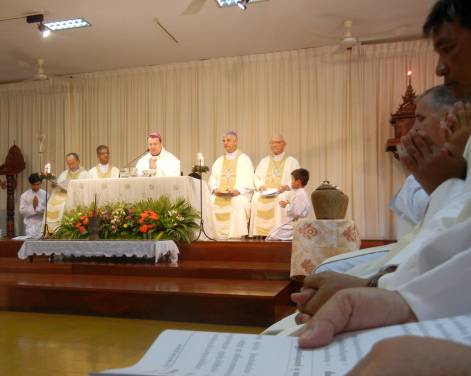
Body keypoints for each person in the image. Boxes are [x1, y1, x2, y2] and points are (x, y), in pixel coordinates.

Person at [249, 135, 300, 238]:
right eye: (272, 143)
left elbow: (297, 180)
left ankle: (279, 233)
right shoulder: (264, 161)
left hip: (283, 191)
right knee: (256, 199)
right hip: (266, 191)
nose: (274, 145)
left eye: (277, 142)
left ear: (284, 144)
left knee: (280, 199)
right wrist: (261, 186)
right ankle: (259, 234)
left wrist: (285, 186)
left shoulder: (292, 161)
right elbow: (256, 177)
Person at [209, 131, 254, 239]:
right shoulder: (219, 160)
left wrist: (237, 190)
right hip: (220, 194)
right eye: (223, 141)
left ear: (235, 142)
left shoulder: (244, 159)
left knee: (237, 202)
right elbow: (213, 178)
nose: (225, 143)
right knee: (209, 201)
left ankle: (235, 236)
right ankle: (214, 235)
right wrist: (215, 189)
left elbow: (249, 178)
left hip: (238, 194)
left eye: (228, 140)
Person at [46, 153, 89, 232]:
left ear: (78, 161)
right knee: (50, 205)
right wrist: (55, 186)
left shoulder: (85, 174)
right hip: (63, 201)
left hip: (77, 201)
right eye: (68, 164)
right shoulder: (64, 174)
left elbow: (86, 190)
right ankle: (54, 231)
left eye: (72, 163)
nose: (71, 166)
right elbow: (58, 186)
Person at [266, 168, 312, 241]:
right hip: (294, 224)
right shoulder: (299, 193)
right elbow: (297, 208)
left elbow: (296, 212)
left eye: (292, 180)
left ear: (298, 182)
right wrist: (288, 204)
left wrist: (286, 205)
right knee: (273, 232)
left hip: (295, 226)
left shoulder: (300, 194)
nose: (291, 182)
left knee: (273, 236)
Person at [19, 173, 48, 238]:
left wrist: (38, 208)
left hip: (42, 224)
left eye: (38, 184)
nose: (36, 187)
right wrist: (33, 208)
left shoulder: (46, 194)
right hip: (30, 225)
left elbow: (49, 210)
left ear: (41, 183)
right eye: (33, 185)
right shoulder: (24, 195)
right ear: (30, 184)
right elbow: (21, 211)